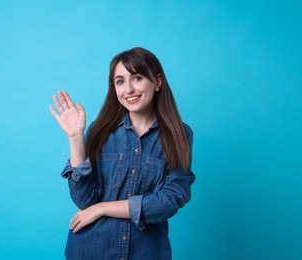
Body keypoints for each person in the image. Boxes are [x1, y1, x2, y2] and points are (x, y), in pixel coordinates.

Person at [49, 47, 195, 260]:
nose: (128, 89)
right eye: (120, 81)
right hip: (90, 250)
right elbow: (83, 200)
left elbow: (168, 201)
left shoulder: (180, 134)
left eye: (137, 78)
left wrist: (101, 209)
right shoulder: (99, 131)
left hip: (145, 253)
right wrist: (75, 138)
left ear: (157, 82)